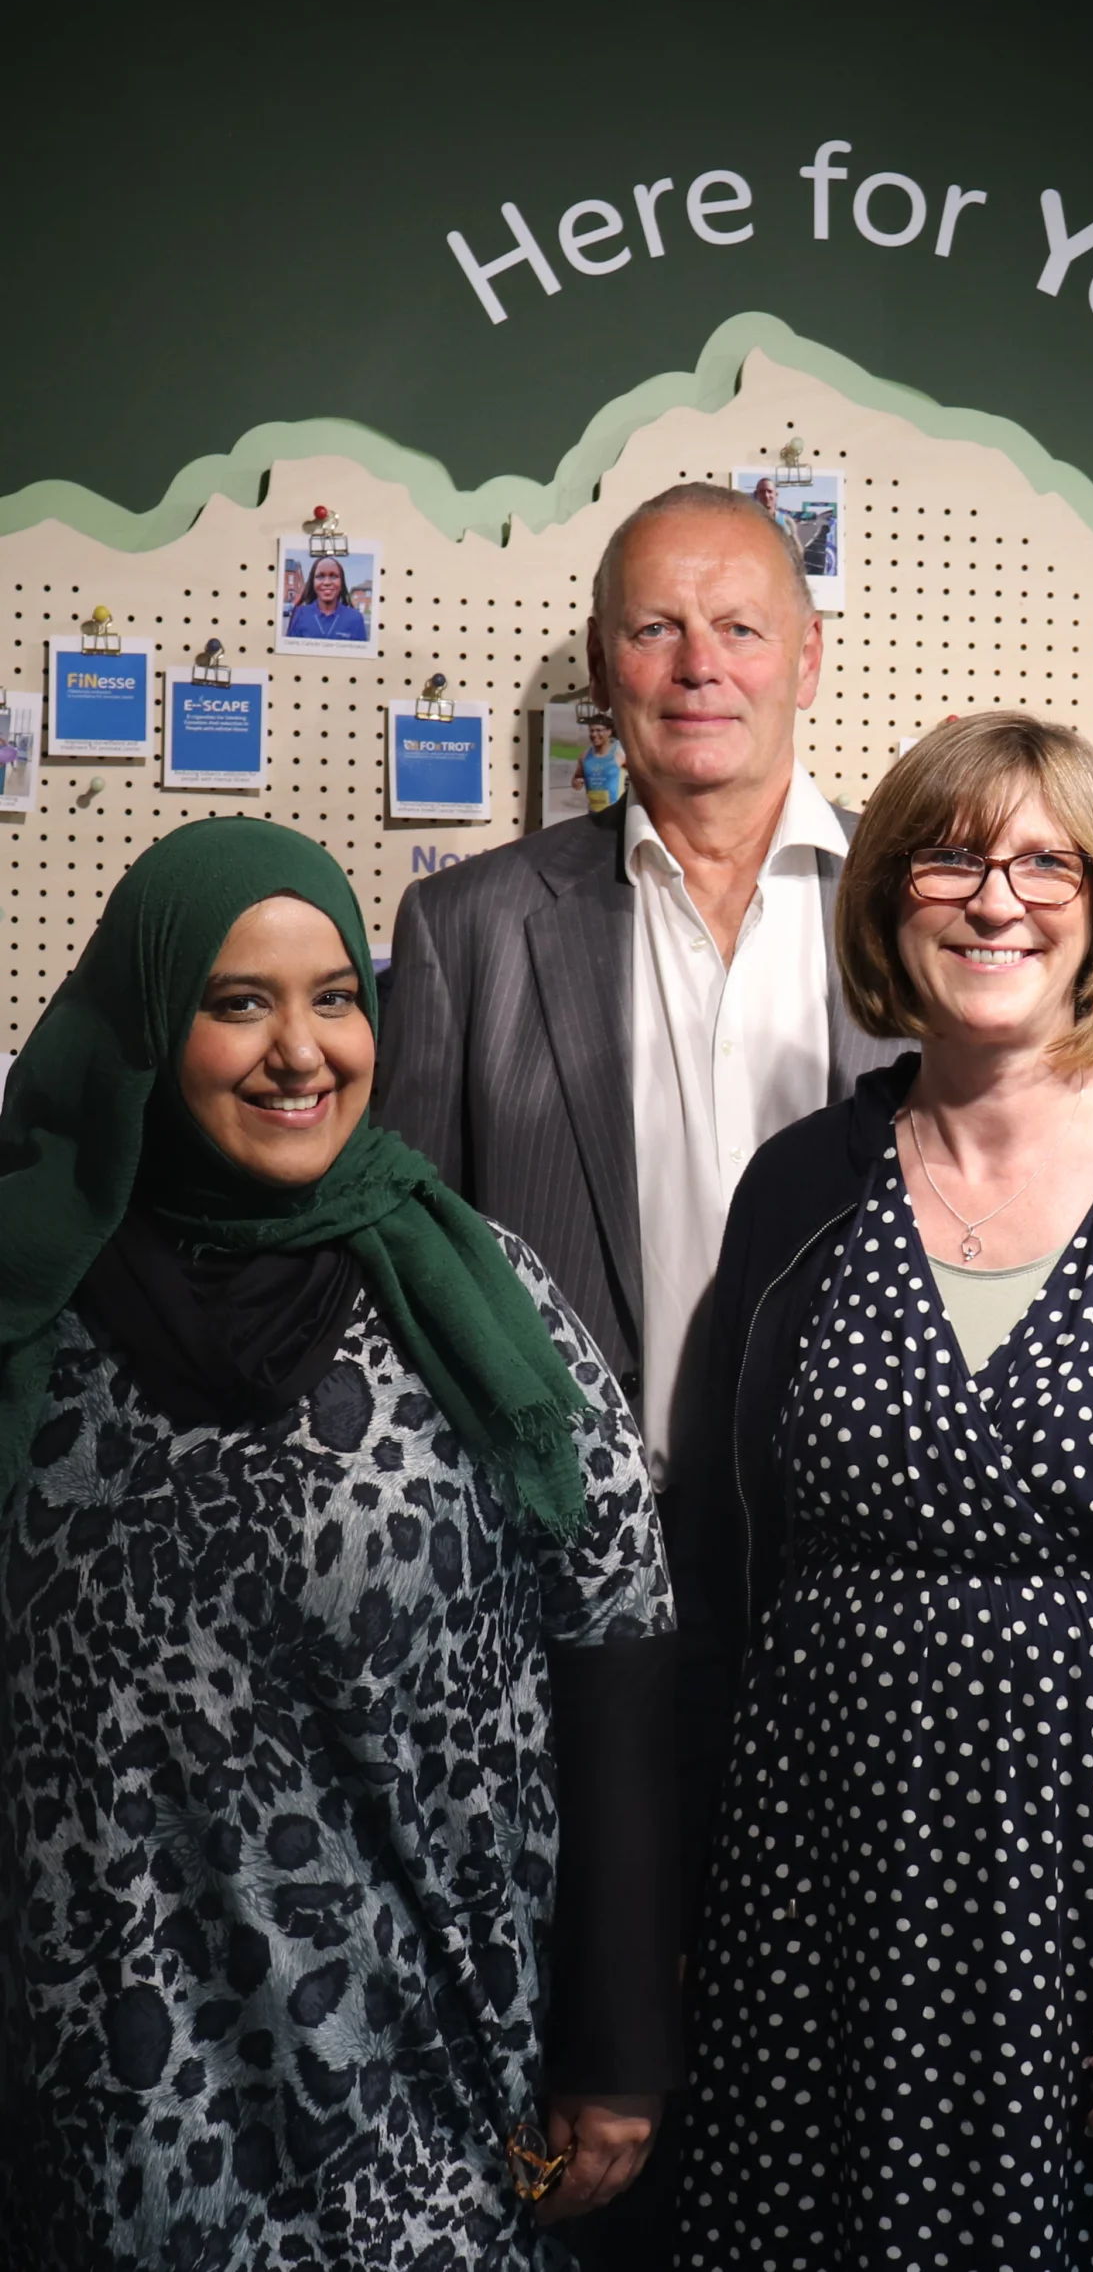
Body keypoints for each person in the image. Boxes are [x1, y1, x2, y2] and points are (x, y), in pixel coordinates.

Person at [669, 711, 1093, 2268]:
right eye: (953, 857)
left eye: (1047, 861)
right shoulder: (801, 1186)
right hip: (821, 1898)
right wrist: (694, 1904)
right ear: (890, 899)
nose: (998, 898)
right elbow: (714, 1568)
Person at [0, 818, 680, 2267]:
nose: (301, 1049)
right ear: (141, 1026)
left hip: (430, 2082)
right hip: (105, 2092)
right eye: (239, 1001)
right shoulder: (28, 1300)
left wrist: (616, 2045)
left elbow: (617, 1648)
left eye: (335, 997)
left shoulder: (481, 1301)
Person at [377, 481, 906, 1490]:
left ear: (807, 658)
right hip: (577, 1561)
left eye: (740, 628)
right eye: (656, 627)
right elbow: (416, 1282)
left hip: (862, 1560)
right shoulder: (465, 932)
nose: (699, 665)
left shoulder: (928, 910)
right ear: (598, 662)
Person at [283, 553, 370, 643]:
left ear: (341, 583)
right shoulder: (299, 614)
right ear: (313, 583)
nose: (327, 582)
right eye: (320, 576)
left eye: (333, 576)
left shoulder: (355, 618)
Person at [573, 711, 627, 813]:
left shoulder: (620, 753)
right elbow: (576, 779)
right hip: (593, 815)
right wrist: (577, 782)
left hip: (615, 814)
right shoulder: (584, 756)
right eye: (591, 731)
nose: (594, 734)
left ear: (609, 732)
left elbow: (640, 775)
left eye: (598, 730)